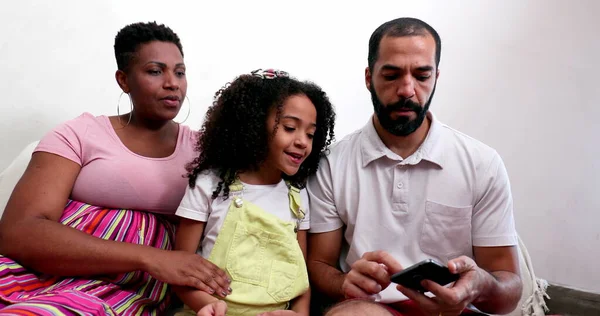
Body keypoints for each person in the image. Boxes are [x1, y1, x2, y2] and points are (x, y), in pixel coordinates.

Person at [0, 22, 230, 315]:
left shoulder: (205, 151)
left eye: (180, 72)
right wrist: (150, 257)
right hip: (37, 272)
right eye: (155, 71)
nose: (173, 82)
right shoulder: (79, 133)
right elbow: (19, 231)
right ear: (123, 80)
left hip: (125, 290)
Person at [307, 17, 522, 316]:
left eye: (422, 76)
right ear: (369, 78)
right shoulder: (332, 164)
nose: (407, 90)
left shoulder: (482, 163)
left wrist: (478, 285)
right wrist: (345, 282)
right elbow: (318, 265)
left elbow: (508, 291)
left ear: (436, 77)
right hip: (370, 309)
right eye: (392, 75)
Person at [172, 69, 336, 316]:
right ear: (254, 124)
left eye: (310, 134)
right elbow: (179, 270)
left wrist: (299, 314)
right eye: (290, 128)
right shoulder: (209, 185)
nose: (303, 141)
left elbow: (299, 278)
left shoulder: (297, 197)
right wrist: (207, 305)